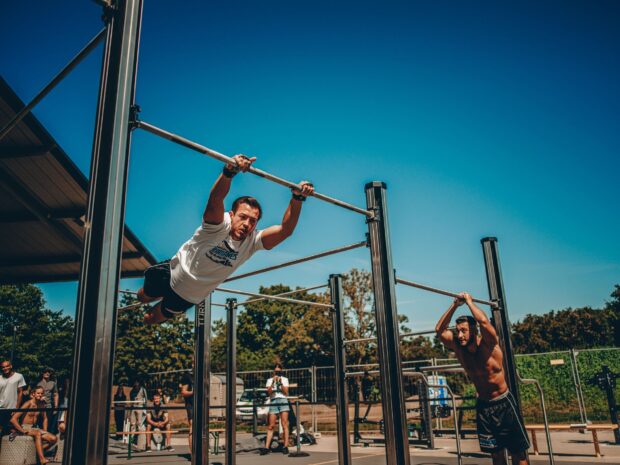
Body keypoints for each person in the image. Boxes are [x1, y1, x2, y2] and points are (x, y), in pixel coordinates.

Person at [136, 154, 314, 324]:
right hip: (170, 273)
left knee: (150, 319)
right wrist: (229, 171)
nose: (246, 224)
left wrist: (297, 198)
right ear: (231, 214)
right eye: (243, 217)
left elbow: (285, 230)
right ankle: (144, 298)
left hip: (188, 295)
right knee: (142, 297)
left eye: (252, 221)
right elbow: (216, 198)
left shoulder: (253, 240)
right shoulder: (219, 225)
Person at [435, 293, 530, 465]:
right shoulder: (458, 347)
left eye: (464, 330)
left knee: (518, 454)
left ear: (474, 330)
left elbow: (485, 322)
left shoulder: (489, 344)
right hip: (484, 406)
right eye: (458, 331)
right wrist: (455, 305)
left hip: (503, 403)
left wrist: (470, 302)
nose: (461, 335)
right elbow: (439, 330)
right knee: (496, 454)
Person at [9, 386, 57, 465]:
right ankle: (42, 459)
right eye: (38, 393)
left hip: (35, 428)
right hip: (25, 427)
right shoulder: (28, 404)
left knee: (54, 439)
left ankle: (36, 451)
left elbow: (45, 418)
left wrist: (45, 430)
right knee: (37, 433)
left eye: (42, 393)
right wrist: (22, 430)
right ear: (33, 394)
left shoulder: (41, 404)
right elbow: (13, 419)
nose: (40, 395)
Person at [263, 363, 290, 454]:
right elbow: (269, 392)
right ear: (273, 371)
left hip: (282, 400)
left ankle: (285, 446)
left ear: (281, 371)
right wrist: (273, 382)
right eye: (276, 371)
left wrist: (280, 382)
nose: (277, 373)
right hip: (274, 401)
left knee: (284, 424)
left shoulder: (285, 379)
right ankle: (266, 448)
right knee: (271, 426)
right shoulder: (269, 380)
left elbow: (286, 392)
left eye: (279, 371)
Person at [0, 359, 26, 435]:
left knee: (11, 430)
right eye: (3, 367)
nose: (5, 368)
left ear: (11, 366)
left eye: (7, 366)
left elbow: (20, 392)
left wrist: (16, 408)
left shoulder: (19, 376)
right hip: (0, 407)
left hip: (12, 408)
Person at [36, 368, 59, 434]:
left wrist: (56, 406)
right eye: (45, 372)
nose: (47, 373)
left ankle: (48, 439)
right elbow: (33, 395)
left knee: (49, 425)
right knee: (40, 424)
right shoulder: (38, 384)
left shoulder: (53, 383)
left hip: (49, 406)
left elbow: (56, 394)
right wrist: (40, 398)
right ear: (42, 374)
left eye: (49, 372)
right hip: (40, 407)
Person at [180, 372, 193, 453]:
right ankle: (193, 454)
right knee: (192, 426)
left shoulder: (203, 375)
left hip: (202, 406)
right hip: (191, 405)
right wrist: (193, 392)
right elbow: (183, 392)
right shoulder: (187, 376)